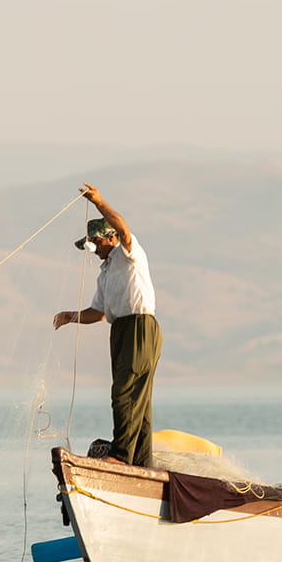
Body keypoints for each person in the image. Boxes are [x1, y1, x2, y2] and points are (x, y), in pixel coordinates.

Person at [51, 183, 161, 468]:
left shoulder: (127, 253)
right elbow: (97, 312)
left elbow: (123, 227)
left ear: (108, 238)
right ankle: (140, 461)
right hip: (121, 330)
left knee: (125, 392)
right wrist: (71, 316)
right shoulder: (105, 273)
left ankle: (122, 456)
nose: (95, 251)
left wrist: (99, 201)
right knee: (137, 399)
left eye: (96, 243)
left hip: (139, 326)